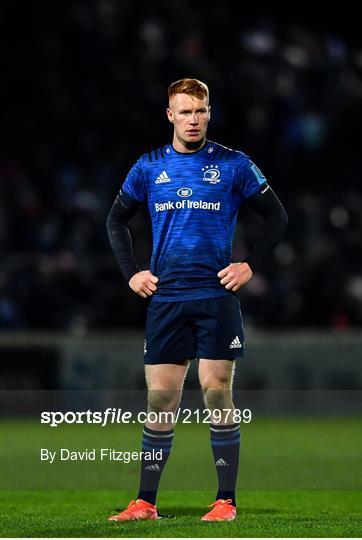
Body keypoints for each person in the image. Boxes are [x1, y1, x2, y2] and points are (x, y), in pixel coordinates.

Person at [106, 78, 288, 522]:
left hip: (215, 296)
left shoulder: (234, 164)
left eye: (200, 111)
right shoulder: (148, 167)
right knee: (160, 401)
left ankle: (226, 501)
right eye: (184, 111)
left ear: (210, 113)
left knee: (215, 389)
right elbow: (116, 220)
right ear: (170, 115)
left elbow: (277, 216)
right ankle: (145, 503)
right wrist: (132, 275)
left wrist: (250, 264)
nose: (193, 119)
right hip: (166, 298)